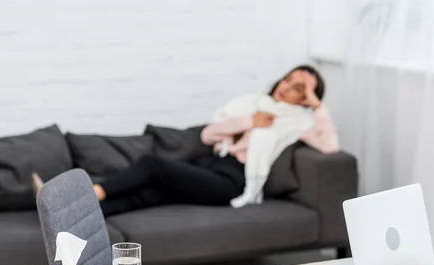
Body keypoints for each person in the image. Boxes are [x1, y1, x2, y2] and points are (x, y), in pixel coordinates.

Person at [92, 65, 340, 216]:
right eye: (288, 79)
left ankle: (95, 193)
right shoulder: (253, 104)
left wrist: (317, 105)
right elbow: (207, 135)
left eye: (298, 88)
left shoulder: (298, 122)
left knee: (151, 164)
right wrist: (250, 121)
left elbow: (330, 146)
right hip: (209, 162)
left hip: (231, 179)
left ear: (306, 98)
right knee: (153, 193)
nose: (286, 87)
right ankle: (91, 213)